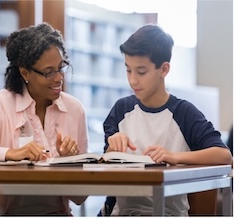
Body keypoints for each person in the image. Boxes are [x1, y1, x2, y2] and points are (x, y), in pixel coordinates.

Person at [0, 22, 89, 215]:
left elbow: (80, 198)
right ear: (25, 72)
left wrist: (71, 164)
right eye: (49, 72)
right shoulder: (1, 104)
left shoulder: (74, 109)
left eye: (61, 68)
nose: (58, 78)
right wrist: (9, 153)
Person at [99, 23, 232, 216]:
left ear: (164, 69)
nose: (133, 80)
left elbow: (224, 156)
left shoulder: (183, 112)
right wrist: (111, 148)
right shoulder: (121, 110)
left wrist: (175, 157)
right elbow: (105, 165)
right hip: (124, 213)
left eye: (141, 72)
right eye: (128, 70)